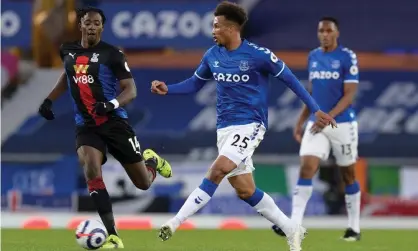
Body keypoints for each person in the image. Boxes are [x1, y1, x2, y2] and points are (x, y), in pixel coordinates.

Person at [150, 2, 336, 251]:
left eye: (216, 26)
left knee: (218, 170)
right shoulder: (212, 55)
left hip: (251, 125)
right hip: (224, 129)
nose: (213, 30)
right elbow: (195, 84)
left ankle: (174, 223)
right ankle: (292, 229)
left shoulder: (258, 55)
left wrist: (315, 109)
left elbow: (291, 79)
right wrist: (168, 89)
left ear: (231, 28)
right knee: (245, 190)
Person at [37, 7, 172, 249]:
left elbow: (131, 90)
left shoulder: (113, 54)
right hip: (86, 125)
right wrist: (49, 99)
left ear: (101, 27)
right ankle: (114, 235)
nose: (91, 26)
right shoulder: (67, 50)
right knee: (91, 168)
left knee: (143, 183)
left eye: (96, 23)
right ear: (80, 25)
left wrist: (110, 104)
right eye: (87, 22)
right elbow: (67, 75)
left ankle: (150, 161)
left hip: (114, 123)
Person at [271, 17, 361, 241]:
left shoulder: (347, 57)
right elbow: (311, 91)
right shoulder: (313, 56)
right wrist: (301, 119)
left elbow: (350, 94)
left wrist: (328, 117)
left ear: (337, 33)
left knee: (348, 175)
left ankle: (354, 228)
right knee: (307, 167)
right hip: (316, 123)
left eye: (329, 30)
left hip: (342, 123)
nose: (324, 34)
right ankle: (294, 224)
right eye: (321, 30)